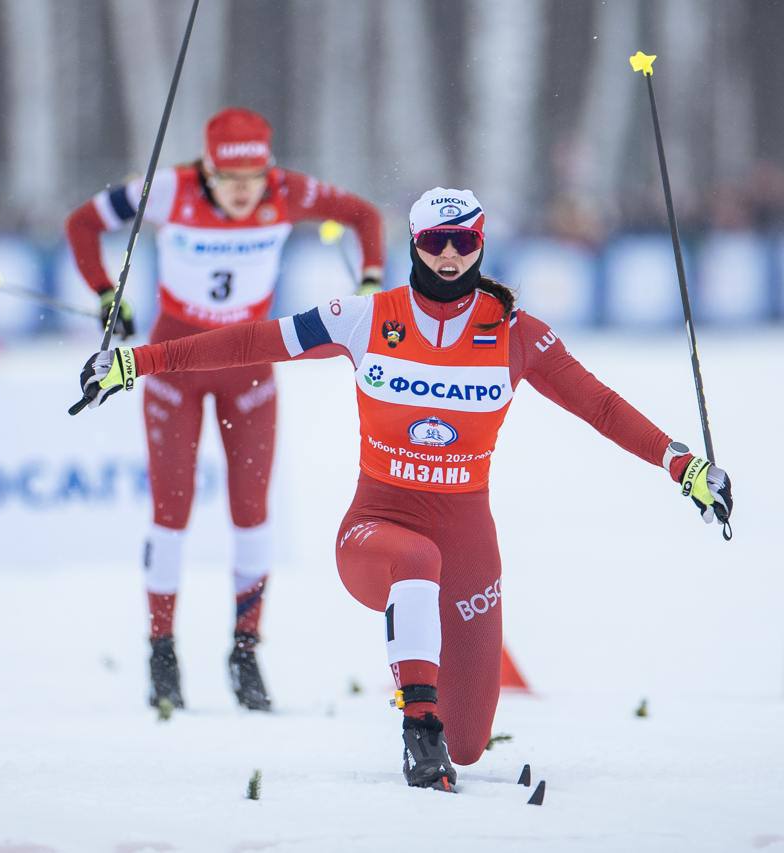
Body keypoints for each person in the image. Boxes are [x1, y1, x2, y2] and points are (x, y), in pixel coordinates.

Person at [76, 188, 733, 789]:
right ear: (413, 244)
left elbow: (603, 406)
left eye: (464, 242)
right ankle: (418, 730)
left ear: (481, 245)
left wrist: (682, 464)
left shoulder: (515, 333)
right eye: (434, 242)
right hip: (375, 529)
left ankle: (441, 724)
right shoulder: (366, 318)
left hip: (469, 537)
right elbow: (253, 341)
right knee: (416, 565)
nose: (449, 256)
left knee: (472, 744)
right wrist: (137, 361)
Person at [66, 107, 386, 712]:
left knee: (251, 511)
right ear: (207, 171)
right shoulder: (166, 190)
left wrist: (370, 282)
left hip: (248, 367)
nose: (243, 194)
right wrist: (107, 293)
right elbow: (82, 224)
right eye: (230, 181)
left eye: (253, 180)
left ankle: (245, 650)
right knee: (172, 510)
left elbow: (364, 216)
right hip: (173, 366)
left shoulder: (289, 189)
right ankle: (161, 651)